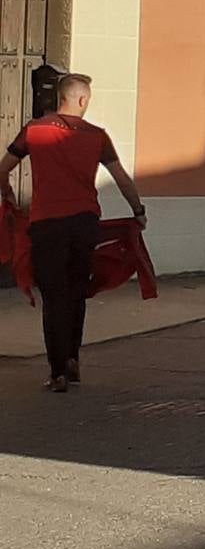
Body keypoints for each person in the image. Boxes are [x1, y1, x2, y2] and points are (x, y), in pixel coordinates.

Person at [0, 74, 147, 393]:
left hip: (46, 223)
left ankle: (58, 373)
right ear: (82, 100)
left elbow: (3, 168)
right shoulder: (97, 136)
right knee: (77, 292)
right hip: (83, 223)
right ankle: (72, 360)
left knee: (54, 297)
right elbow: (120, 177)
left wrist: (7, 194)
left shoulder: (34, 131)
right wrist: (138, 210)